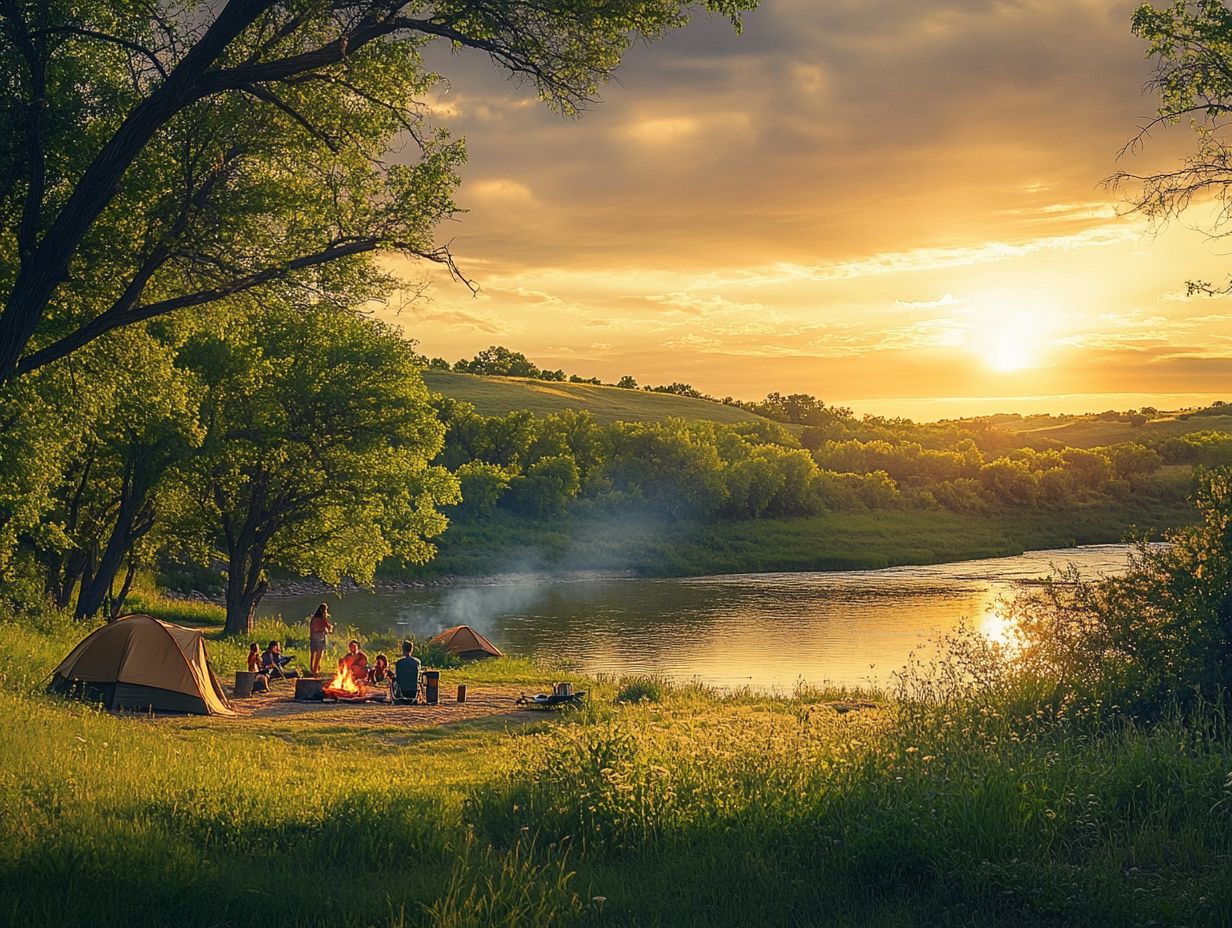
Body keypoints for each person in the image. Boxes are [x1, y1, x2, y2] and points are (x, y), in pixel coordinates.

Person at [308, 603, 333, 676]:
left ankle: (315, 669)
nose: (326, 611)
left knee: (317, 654)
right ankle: (314, 670)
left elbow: (327, 627)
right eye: (326, 610)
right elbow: (316, 629)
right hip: (317, 638)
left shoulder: (321, 618)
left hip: (319, 638)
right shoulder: (317, 619)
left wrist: (328, 628)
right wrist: (324, 629)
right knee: (317, 655)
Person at [393, 640, 421, 704]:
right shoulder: (417, 662)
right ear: (411, 649)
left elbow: (397, 678)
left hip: (402, 691)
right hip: (413, 691)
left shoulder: (399, 663)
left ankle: (396, 697)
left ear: (403, 650)